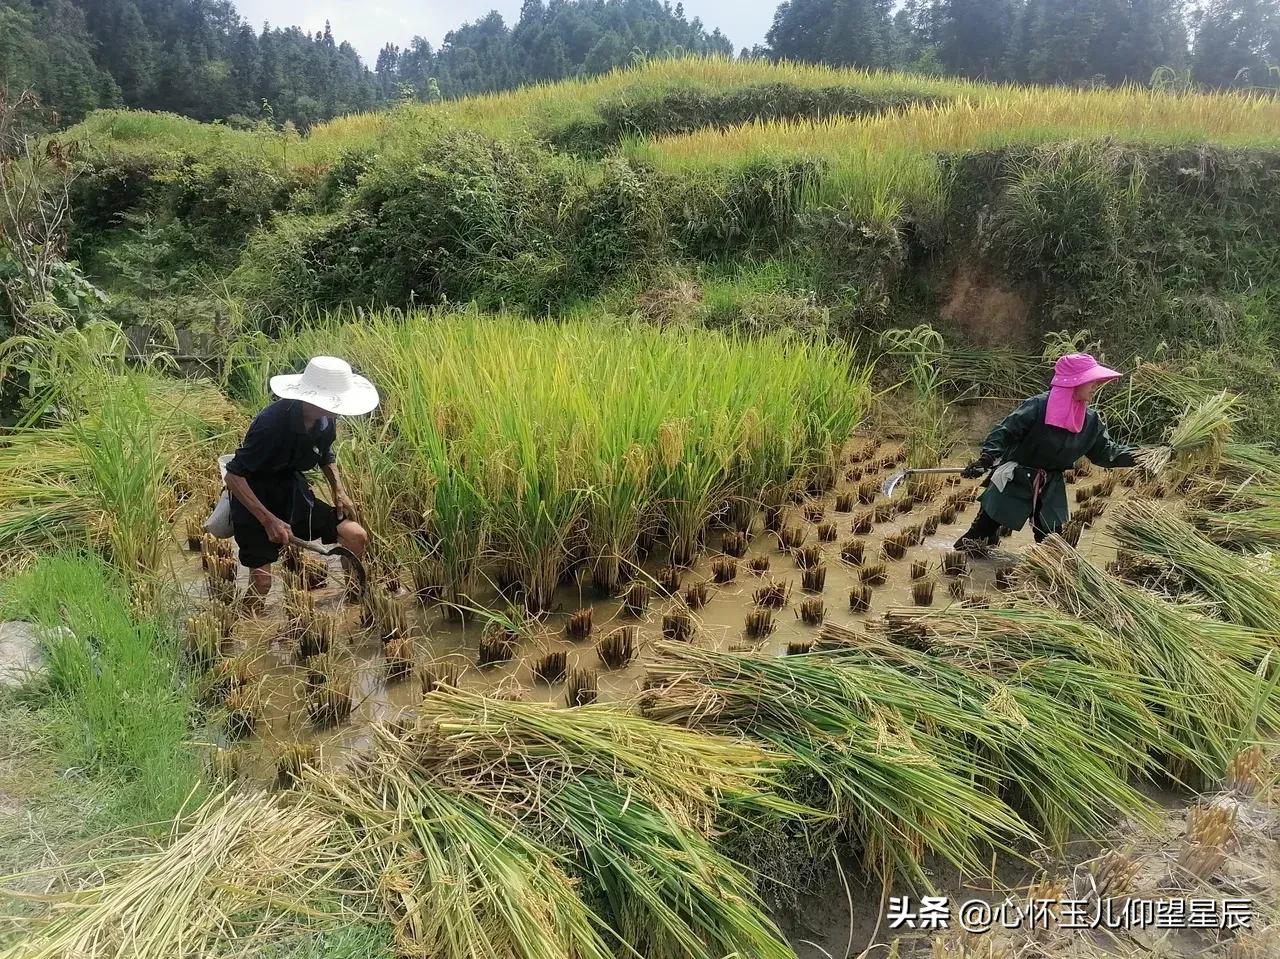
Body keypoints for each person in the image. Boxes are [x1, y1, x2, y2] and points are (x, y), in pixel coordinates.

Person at [224, 356, 377, 605]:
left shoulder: (326, 421)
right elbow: (233, 475)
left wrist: (338, 489)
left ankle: (353, 602)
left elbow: (325, 454)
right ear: (314, 398)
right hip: (254, 499)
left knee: (355, 535)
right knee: (262, 583)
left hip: (293, 494)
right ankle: (246, 625)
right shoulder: (271, 423)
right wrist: (268, 520)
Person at [954, 352, 1137, 551]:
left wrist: (1142, 456)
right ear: (1074, 382)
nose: (1096, 386)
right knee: (978, 538)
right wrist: (986, 459)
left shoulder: (1091, 421)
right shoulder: (1038, 406)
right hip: (1014, 479)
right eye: (1091, 381)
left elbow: (1106, 453)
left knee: (1053, 547)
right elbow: (1005, 431)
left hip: (1050, 487)